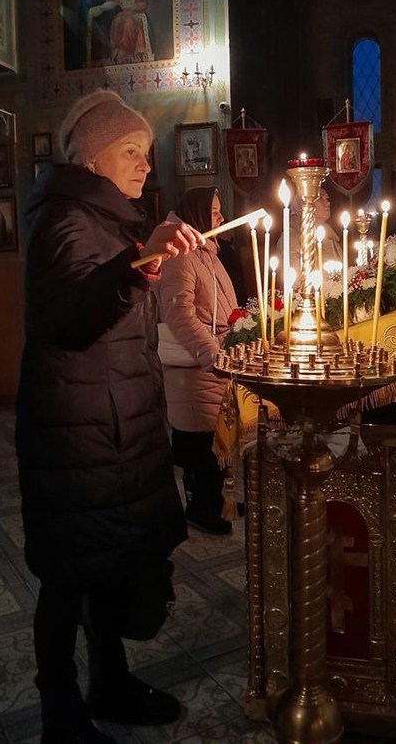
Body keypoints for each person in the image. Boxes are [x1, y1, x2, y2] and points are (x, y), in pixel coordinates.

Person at [16, 90, 205, 744]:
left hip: (110, 427)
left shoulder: (104, 220)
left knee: (103, 567)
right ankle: (60, 715)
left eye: (147, 155)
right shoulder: (65, 221)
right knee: (67, 578)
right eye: (131, 151)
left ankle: (110, 682)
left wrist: (137, 255)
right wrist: (137, 261)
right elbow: (69, 320)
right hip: (78, 436)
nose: (145, 166)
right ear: (94, 156)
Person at [157, 187, 238, 536]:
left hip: (213, 358)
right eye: (215, 211)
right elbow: (179, 314)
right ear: (198, 213)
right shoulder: (181, 256)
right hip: (194, 363)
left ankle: (217, 498)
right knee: (197, 441)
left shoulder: (208, 251)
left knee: (214, 436)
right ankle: (199, 506)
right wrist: (210, 352)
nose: (220, 217)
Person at [276, 185, 343, 296]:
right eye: (320, 198)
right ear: (304, 204)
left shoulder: (330, 235)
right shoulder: (291, 237)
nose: (327, 203)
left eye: (327, 199)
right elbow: (294, 282)